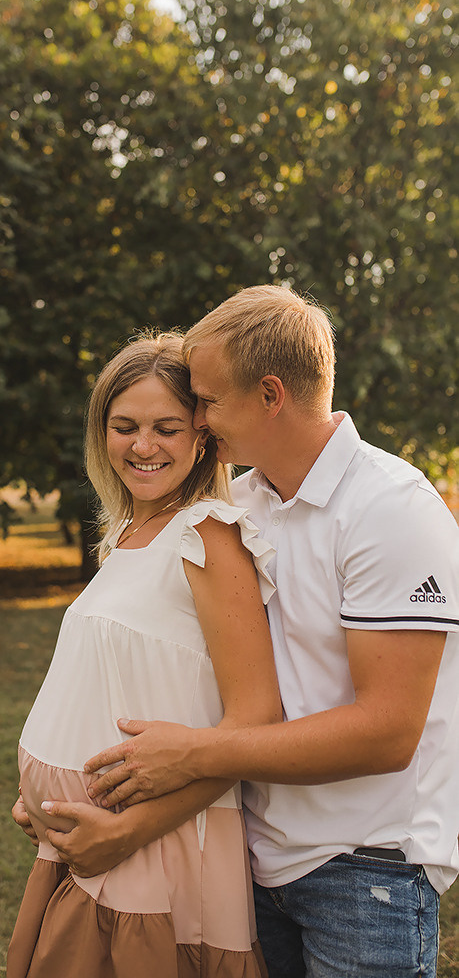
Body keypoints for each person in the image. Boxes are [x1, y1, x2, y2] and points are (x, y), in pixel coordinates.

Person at [62, 285, 459, 977]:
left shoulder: (390, 511)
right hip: (250, 856)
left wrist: (194, 756)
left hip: (365, 870)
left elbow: (387, 732)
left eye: (208, 401)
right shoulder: (237, 504)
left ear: (269, 394)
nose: (200, 421)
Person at [6, 331, 282, 978]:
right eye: (123, 425)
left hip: (155, 847)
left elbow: (256, 722)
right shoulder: (128, 531)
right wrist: (39, 796)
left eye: (166, 427)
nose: (142, 446)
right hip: (83, 844)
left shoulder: (207, 534)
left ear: (202, 436)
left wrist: (125, 832)